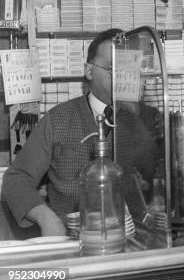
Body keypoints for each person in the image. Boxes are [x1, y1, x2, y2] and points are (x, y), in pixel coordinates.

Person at [1, 29, 157, 236]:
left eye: (128, 69)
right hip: (73, 242)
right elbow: (17, 178)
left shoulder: (146, 119)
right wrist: (47, 219)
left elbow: (160, 177)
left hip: (135, 241)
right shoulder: (58, 119)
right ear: (89, 71)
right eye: (113, 69)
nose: (121, 77)